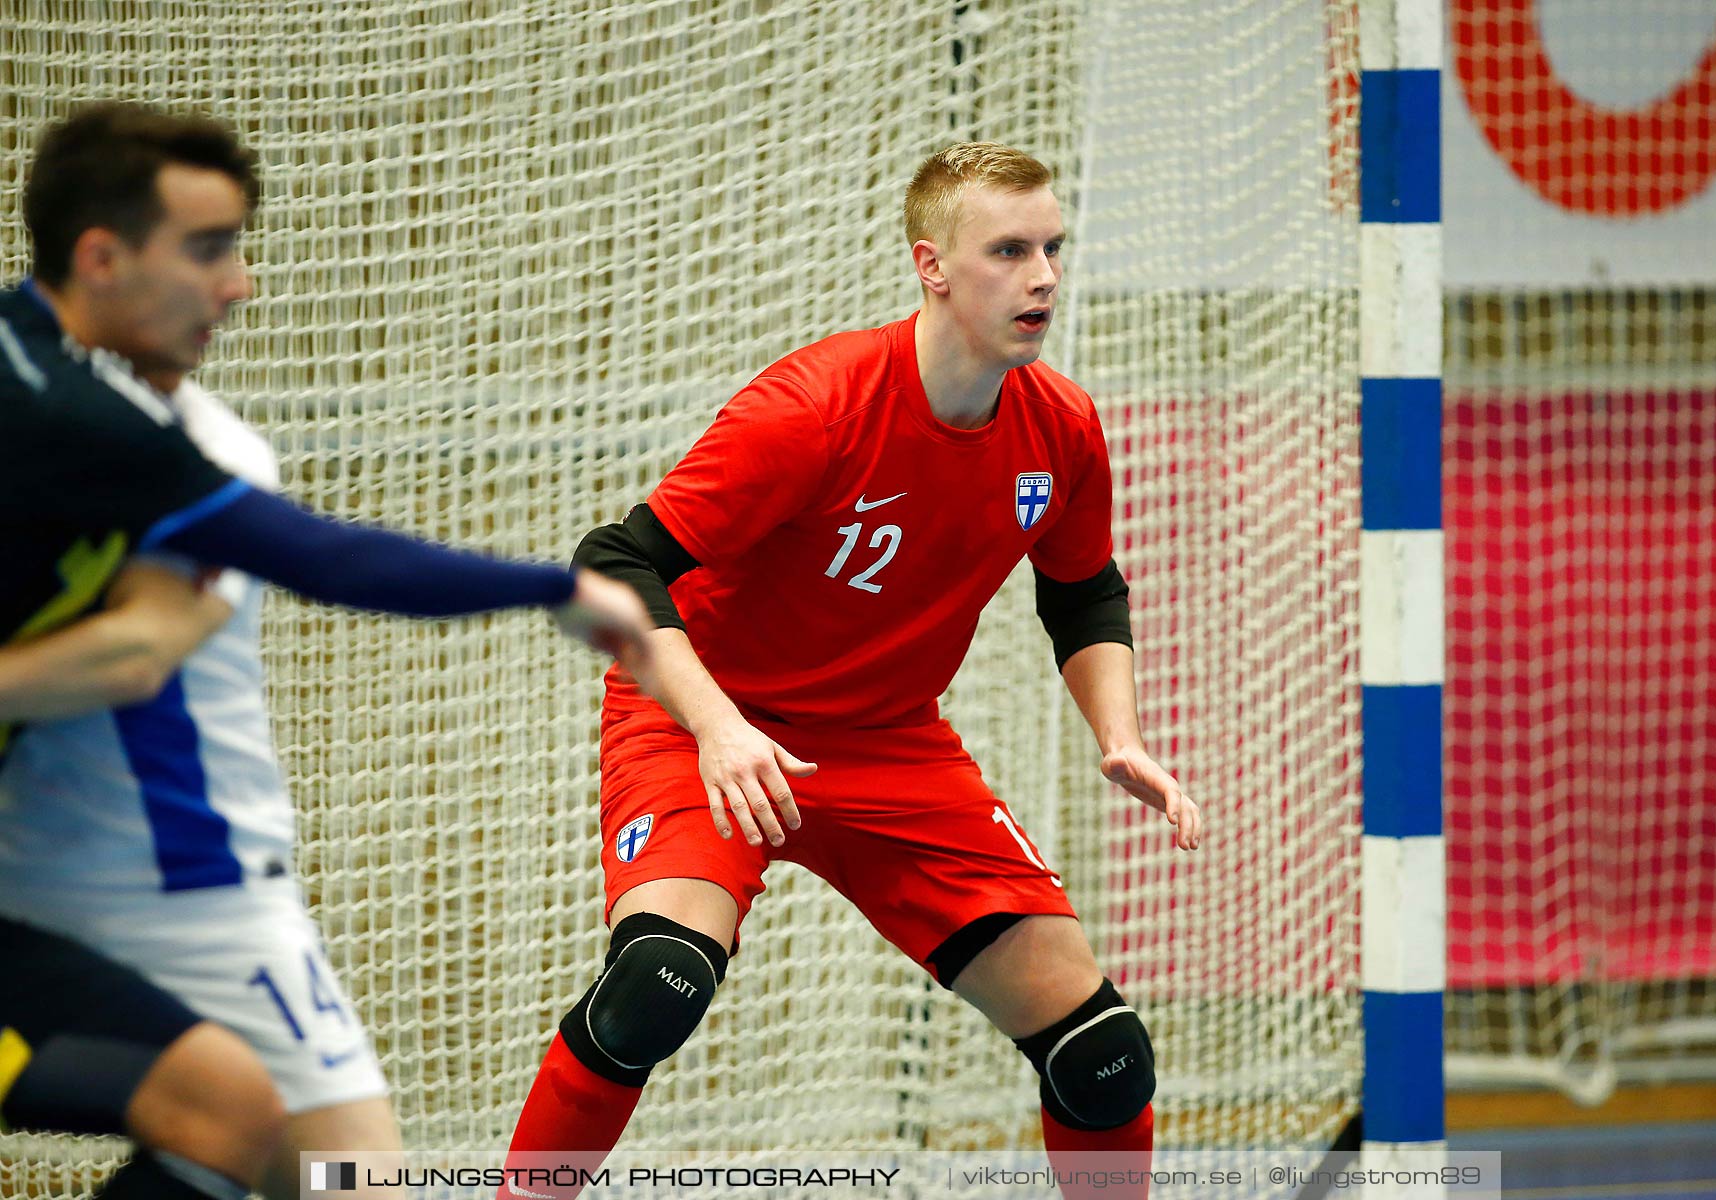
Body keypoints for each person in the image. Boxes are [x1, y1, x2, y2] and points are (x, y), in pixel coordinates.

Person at [500, 142, 1201, 1200]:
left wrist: (1121, 734)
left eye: (1053, 246)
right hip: (708, 727)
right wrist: (720, 727)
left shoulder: (1061, 429)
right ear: (933, 265)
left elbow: (1083, 588)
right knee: (656, 986)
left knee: (1102, 1055)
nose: (1045, 274)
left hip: (889, 743)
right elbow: (615, 563)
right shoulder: (814, 408)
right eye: (1010, 249)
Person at [0, 101, 654, 1200]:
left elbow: (273, 577)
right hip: (157, 889)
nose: (240, 283)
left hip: (75, 887)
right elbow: (317, 568)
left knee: (253, 1127)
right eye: (208, 249)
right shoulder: (82, 424)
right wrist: (555, 586)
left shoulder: (120, 429)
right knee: (316, 1161)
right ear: (101, 257)